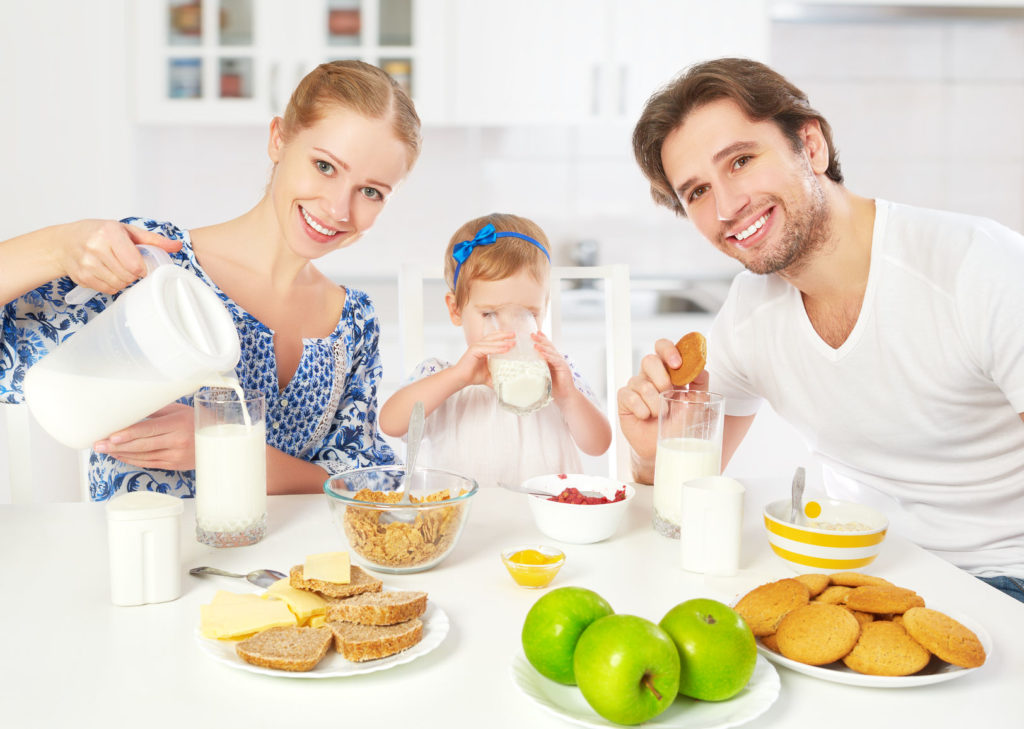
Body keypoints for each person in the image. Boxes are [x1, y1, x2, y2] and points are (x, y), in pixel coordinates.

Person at [619, 57, 1024, 602]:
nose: (728, 207)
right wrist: (654, 452)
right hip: (856, 575)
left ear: (810, 146)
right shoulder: (748, 315)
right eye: (696, 192)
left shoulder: (978, 268)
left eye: (740, 161)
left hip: (1003, 578)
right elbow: (685, 502)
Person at [0, 60, 421, 500]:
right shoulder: (154, 269)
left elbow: (360, 490)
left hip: (293, 569)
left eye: (371, 192)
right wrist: (58, 246)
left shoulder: (353, 320)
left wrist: (225, 445)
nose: (338, 209)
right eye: (325, 166)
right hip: (153, 563)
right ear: (278, 139)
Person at [379, 213, 612, 488]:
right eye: (489, 314)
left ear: (544, 309)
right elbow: (390, 423)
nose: (510, 329)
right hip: (464, 523)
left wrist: (568, 397)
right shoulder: (441, 375)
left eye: (527, 313)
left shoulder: (557, 375)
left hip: (545, 521)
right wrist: (457, 378)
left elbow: (599, 444)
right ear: (456, 310)